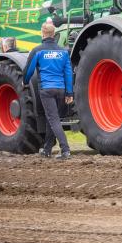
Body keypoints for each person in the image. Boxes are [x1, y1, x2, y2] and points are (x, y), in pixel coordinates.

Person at [23, 23, 73, 160]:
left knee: (53, 119)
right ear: (54, 34)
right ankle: (47, 149)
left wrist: (25, 82)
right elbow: (68, 73)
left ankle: (65, 150)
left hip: (46, 89)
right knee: (52, 118)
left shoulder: (37, 51)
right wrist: (69, 93)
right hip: (61, 90)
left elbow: (28, 70)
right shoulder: (63, 52)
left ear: (43, 34)